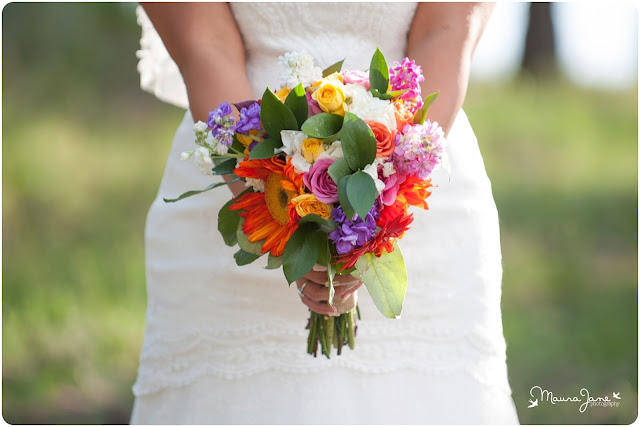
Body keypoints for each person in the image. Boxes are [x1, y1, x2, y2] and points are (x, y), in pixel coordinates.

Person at [131, 2, 520, 424]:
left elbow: (445, 31)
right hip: (238, 161)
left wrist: (378, 209)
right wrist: (277, 208)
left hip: (416, 170)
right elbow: (204, 44)